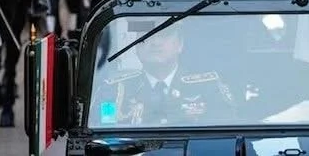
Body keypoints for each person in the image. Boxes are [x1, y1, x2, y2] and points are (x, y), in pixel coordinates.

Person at [90, 23, 235, 126]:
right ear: (136, 46)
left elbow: (225, 137)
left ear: (180, 44)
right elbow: (104, 136)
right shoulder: (115, 91)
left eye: (164, 35)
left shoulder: (208, 88)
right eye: (146, 36)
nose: (155, 42)